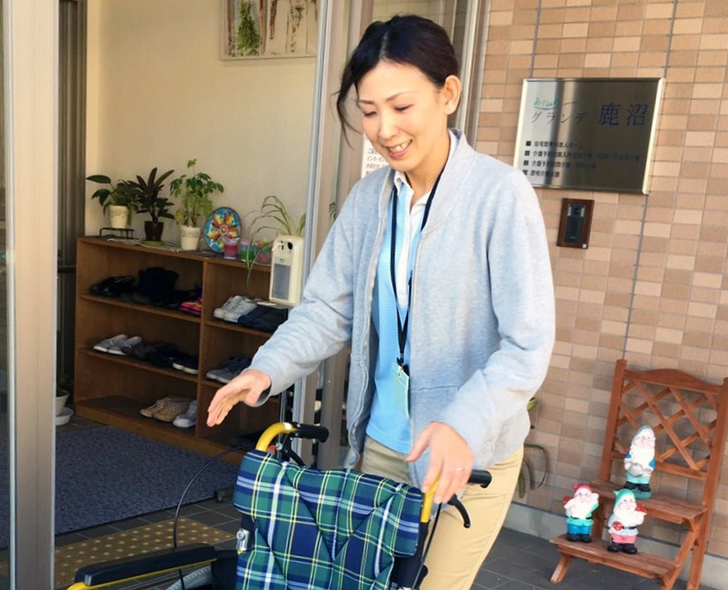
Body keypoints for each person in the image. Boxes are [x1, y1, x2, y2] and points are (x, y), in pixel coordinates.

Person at [206, 14, 555, 590]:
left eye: (401, 106)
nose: (385, 128)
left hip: (463, 456)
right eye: (369, 112)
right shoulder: (369, 199)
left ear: (448, 94)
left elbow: (527, 345)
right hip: (381, 444)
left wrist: (461, 425)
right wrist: (266, 368)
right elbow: (326, 310)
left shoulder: (500, 196)